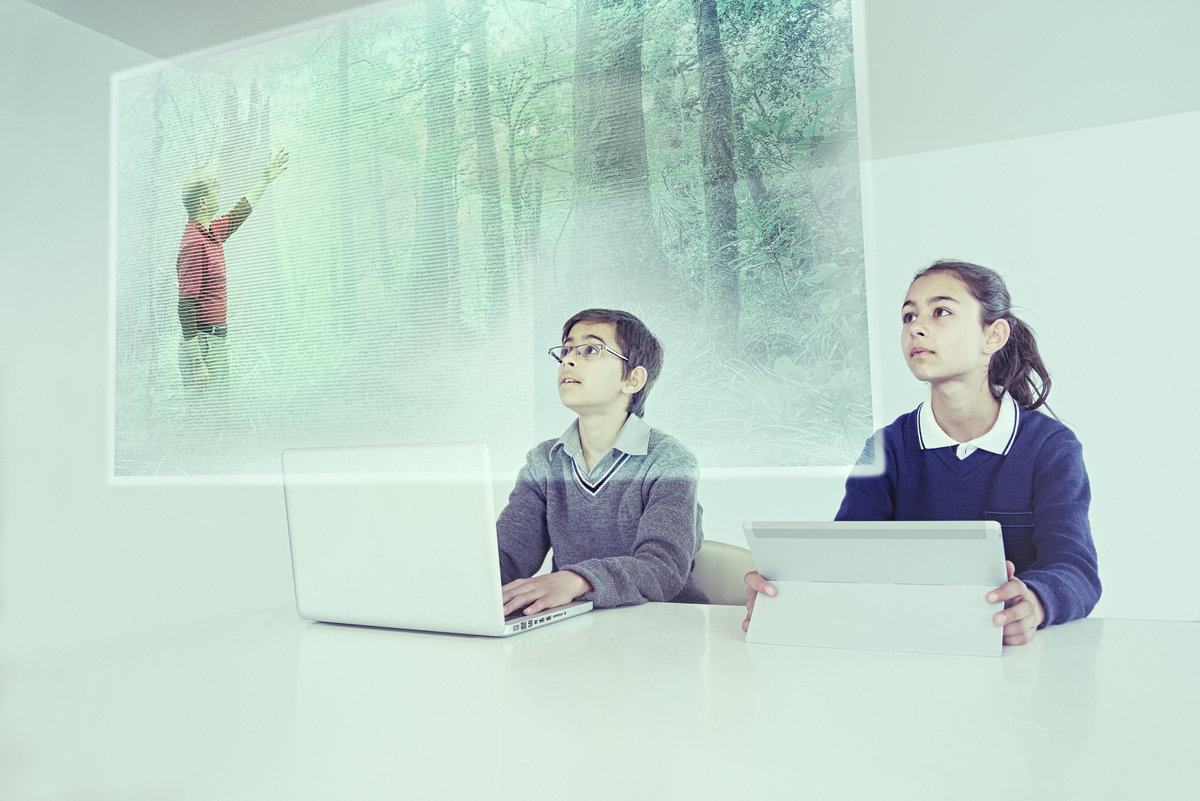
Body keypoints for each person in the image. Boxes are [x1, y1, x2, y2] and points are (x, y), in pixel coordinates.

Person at [743, 260, 1101, 646]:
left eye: (941, 312)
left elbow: (1075, 568)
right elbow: (847, 560)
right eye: (908, 315)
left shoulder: (1050, 447)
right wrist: (789, 592)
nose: (916, 326)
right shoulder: (886, 448)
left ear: (993, 336)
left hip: (1011, 659)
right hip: (906, 651)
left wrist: (1035, 601)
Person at [497, 308, 709, 616]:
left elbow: (662, 567)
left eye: (591, 350)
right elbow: (508, 557)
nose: (568, 359)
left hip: (665, 629)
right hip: (579, 630)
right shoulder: (543, 462)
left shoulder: (669, 460)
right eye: (567, 349)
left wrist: (577, 579)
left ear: (633, 379)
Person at [177, 148, 289, 391]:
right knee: (206, 419)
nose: (220, 189)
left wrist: (265, 178)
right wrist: (197, 362)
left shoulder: (211, 231)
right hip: (203, 345)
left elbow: (239, 213)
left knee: (219, 415)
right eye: (215, 186)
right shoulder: (194, 244)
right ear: (203, 201)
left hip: (215, 342)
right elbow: (185, 307)